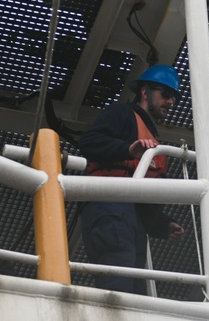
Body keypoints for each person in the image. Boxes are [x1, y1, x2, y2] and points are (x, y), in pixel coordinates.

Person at [78, 64, 185, 294]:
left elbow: (141, 197)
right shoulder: (122, 114)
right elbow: (89, 142)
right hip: (110, 209)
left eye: (173, 98)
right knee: (118, 286)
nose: (170, 102)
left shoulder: (152, 138)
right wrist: (128, 149)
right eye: (165, 94)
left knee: (137, 292)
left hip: (131, 221)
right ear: (145, 92)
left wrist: (163, 225)